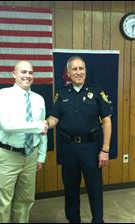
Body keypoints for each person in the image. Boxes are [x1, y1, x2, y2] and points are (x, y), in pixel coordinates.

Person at [46, 56, 112, 223]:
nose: (78, 72)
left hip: (91, 147)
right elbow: (54, 118)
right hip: (68, 148)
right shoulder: (61, 93)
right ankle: (73, 220)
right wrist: (45, 125)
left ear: (85, 71)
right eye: (74, 69)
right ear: (68, 72)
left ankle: (98, 220)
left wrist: (105, 149)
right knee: (70, 188)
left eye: (81, 68)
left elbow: (107, 121)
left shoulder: (96, 92)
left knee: (95, 188)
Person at [0, 61, 48, 223]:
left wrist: (41, 156)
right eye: (23, 72)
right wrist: (37, 126)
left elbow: (43, 131)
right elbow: (7, 125)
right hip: (8, 156)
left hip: (31, 156)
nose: (27, 76)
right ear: (14, 74)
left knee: (25, 201)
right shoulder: (3, 95)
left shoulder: (39, 99)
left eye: (30, 73)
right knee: (2, 203)